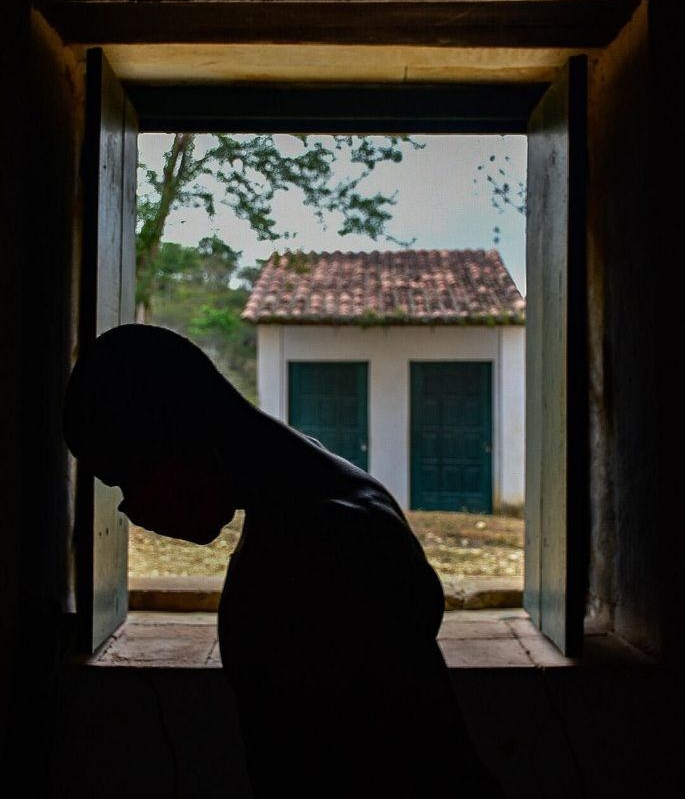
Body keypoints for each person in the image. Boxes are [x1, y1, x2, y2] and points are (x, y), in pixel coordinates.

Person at [63, 324, 504, 798]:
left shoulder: (327, 537)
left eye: (129, 478)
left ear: (177, 432)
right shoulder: (310, 490)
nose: (132, 507)